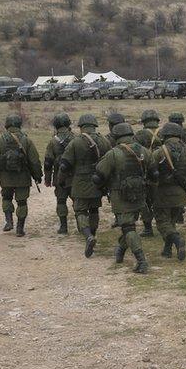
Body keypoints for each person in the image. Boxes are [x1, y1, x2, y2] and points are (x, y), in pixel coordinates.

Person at [94, 122, 157, 273]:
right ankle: (120, 251)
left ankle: (141, 261)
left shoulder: (113, 154)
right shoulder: (144, 151)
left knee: (128, 228)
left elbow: (98, 177)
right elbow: (154, 174)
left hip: (120, 197)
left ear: (116, 137)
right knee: (128, 227)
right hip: (140, 195)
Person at [57, 113, 112, 257]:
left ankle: (88, 236)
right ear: (95, 126)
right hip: (98, 183)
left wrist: (61, 180)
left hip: (80, 182)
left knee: (80, 211)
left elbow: (64, 166)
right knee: (94, 210)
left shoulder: (75, 142)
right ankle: (92, 234)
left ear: (81, 127)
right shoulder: (104, 141)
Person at [0, 114, 43, 237]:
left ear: (7, 125)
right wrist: (38, 176)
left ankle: (8, 222)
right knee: (22, 202)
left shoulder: (0, 141)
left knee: (6, 198)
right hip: (23, 178)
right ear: (19, 125)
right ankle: (20, 228)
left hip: (5, 179)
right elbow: (34, 161)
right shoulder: (26, 140)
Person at [152, 122, 186, 260]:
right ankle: (167, 250)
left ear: (164, 135)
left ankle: (178, 240)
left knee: (162, 223)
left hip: (162, 194)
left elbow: (151, 173)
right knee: (171, 222)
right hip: (180, 194)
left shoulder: (159, 152)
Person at [43, 113, 74, 234]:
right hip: (73, 177)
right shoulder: (75, 139)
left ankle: (63, 227)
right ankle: (81, 224)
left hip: (59, 177)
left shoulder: (53, 142)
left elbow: (47, 162)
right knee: (77, 201)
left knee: (61, 201)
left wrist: (47, 179)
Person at [134, 110, 163, 236]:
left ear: (144, 121)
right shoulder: (164, 133)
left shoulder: (140, 135)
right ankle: (164, 226)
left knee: (145, 201)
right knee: (160, 199)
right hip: (162, 172)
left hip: (146, 172)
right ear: (157, 121)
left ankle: (148, 228)